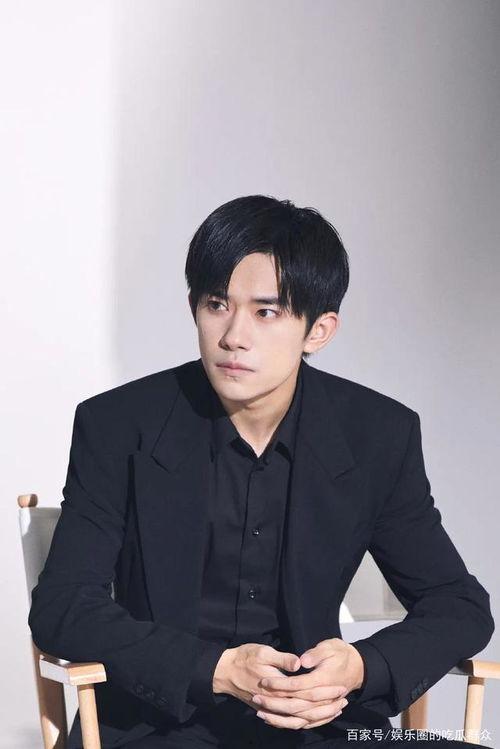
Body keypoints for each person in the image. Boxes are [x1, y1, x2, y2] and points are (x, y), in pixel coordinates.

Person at [28, 195, 494, 748]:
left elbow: (459, 605)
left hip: (318, 724)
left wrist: (360, 667)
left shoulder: (376, 435)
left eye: (266, 312)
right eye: (216, 304)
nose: (233, 336)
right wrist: (216, 669)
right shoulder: (119, 424)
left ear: (318, 331)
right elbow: (63, 605)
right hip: (158, 723)